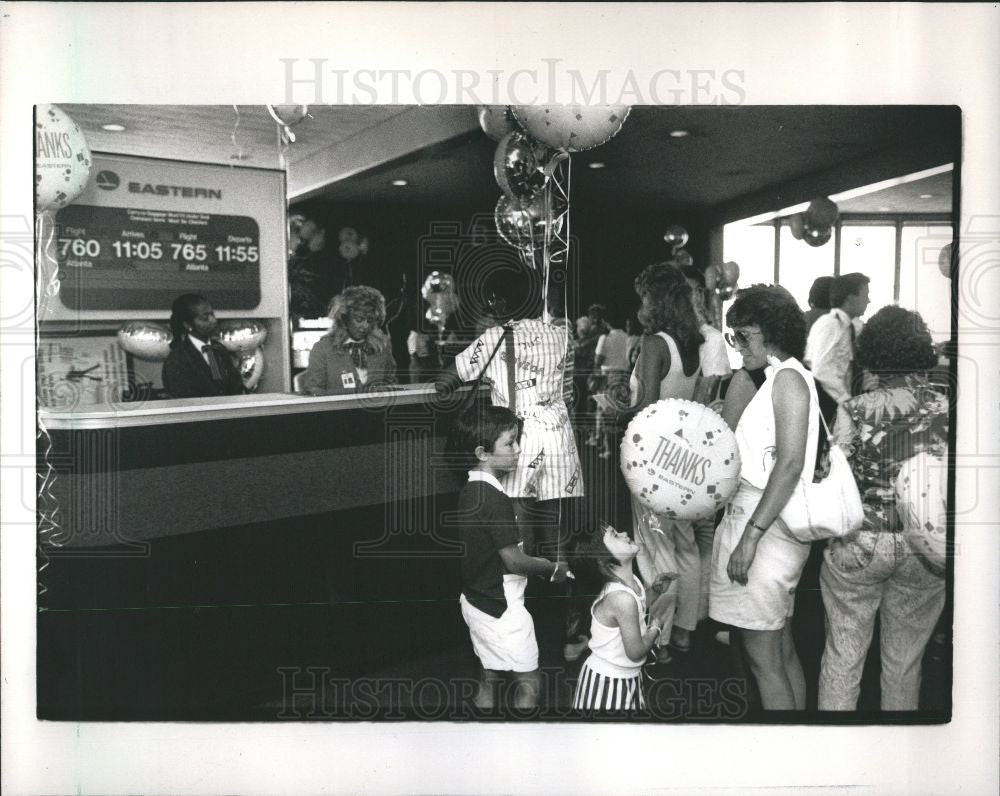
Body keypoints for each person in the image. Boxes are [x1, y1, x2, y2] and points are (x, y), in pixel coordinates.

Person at [440, 274, 585, 661]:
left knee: (518, 543)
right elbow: (570, 387)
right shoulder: (561, 334)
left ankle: (518, 630)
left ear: (500, 305)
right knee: (557, 540)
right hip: (557, 442)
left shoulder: (493, 339)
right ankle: (570, 633)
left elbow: (447, 382)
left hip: (515, 441)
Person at [817, 307, 948, 711]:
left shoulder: (856, 409)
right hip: (925, 546)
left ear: (872, 350)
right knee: (905, 663)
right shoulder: (944, 407)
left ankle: (834, 755)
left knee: (843, 654)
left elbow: (831, 475)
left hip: (859, 542)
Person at [708, 286, 820, 710]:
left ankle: (782, 755)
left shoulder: (788, 378)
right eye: (732, 337)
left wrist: (750, 538)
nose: (736, 347)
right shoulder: (782, 377)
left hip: (765, 527)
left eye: (744, 336)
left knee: (763, 661)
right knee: (779, 650)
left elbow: (789, 464)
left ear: (770, 331)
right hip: (768, 524)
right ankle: (797, 745)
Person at [450, 405, 571, 709]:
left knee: (488, 677)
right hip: (502, 607)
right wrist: (550, 567)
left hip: (475, 601)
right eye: (509, 443)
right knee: (530, 685)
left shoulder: (470, 490)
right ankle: (520, 749)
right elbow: (513, 561)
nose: (518, 450)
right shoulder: (496, 500)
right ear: (482, 452)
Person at [623, 262, 706, 664]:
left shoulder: (655, 343)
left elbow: (646, 408)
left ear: (654, 299)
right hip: (686, 457)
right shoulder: (692, 343)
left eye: (643, 296)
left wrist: (617, 407)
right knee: (686, 547)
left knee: (655, 549)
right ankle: (686, 632)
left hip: (653, 459)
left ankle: (660, 638)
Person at [571, 524, 673, 712]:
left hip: (624, 676)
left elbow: (637, 607)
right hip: (608, 682)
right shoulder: (620, 598)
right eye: (615, 535)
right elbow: (635, 652)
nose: (625, 533)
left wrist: (655, 591)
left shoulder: (630, 583)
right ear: (603, 561)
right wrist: (656, 628)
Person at [300, 285, 398, 395]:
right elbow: (313, 391)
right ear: (345, 319)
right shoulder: (323, 349)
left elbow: (391, 384)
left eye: (370, 320)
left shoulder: (383, 344)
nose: (365, 326)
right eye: (359, 319)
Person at [804, 272, 871, 425]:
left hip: (834, 399)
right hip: (826, 400)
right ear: (850, 298)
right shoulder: (831, 324)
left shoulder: (847, 326)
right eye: (865, 295)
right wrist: (846, 401)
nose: (868, 300)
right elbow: (821, 370)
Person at [161, 293, 244, 399]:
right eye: (205, 318)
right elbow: (184, 398)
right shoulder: (177, 358)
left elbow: (235, 387)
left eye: (212, 315)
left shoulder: (220, 349)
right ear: (188, 325)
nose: (213, 321)